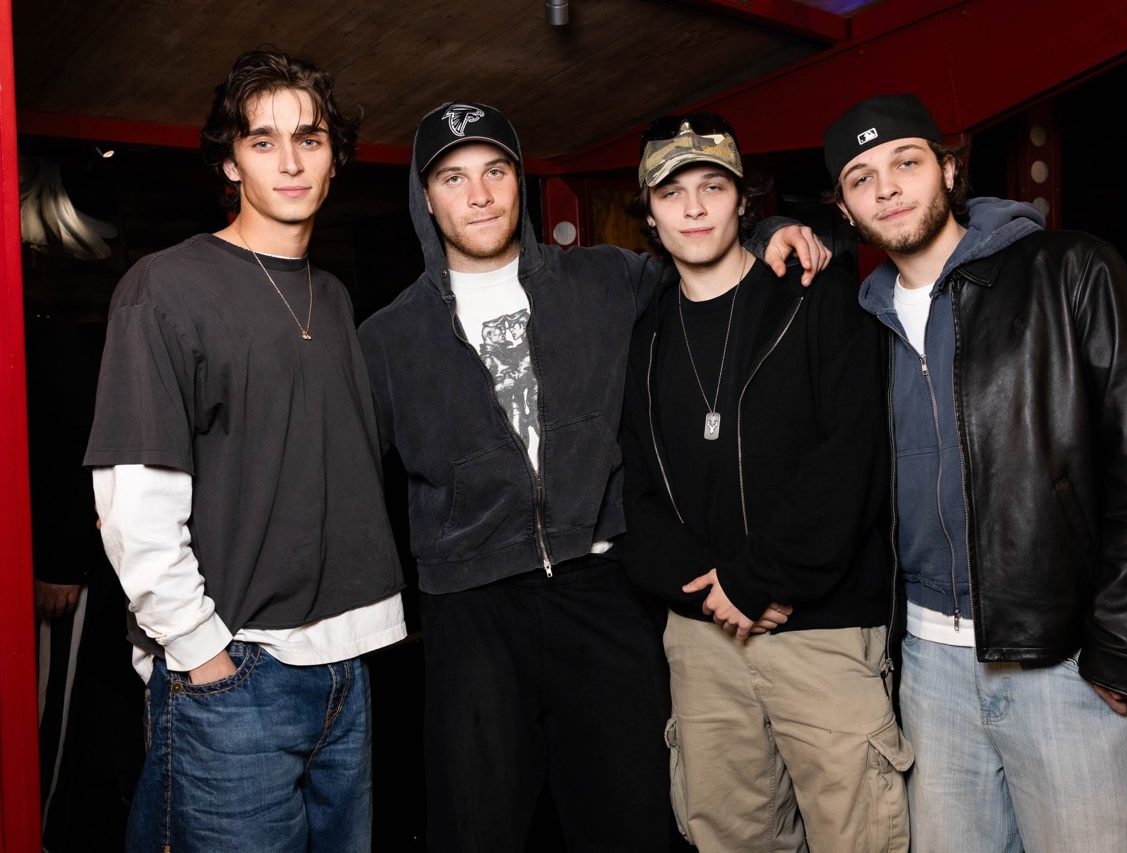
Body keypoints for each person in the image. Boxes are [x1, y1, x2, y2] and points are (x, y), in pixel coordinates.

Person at [357, 101, 828, 851]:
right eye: (453, 178)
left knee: (632, 822)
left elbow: (703, 260)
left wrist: (767, 232)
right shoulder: (385, 340)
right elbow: (349, 483)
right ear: (426, 198)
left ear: (520, 182)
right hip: (471, 608)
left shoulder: (608, 279)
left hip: (602, 590)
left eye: (495, 171)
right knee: (475, 829)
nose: (479, 195)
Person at [823, 93, 1127, 852]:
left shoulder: (1068, 269)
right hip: (927, 665)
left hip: (1065, 658)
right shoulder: (861, 322)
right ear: (844, 208)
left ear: (948, 169)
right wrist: (773, 232)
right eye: (861, 178)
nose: (887, 188)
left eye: (905, 162)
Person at [84, 49, 406, 852]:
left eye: (310, 138)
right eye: (263, 141)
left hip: (348, 664)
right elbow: (133, 499)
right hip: (236, 673)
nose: (291, 161)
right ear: (231, 162)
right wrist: (200, 653)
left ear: (334, 158)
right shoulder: (166, 286)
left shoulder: (333, 296)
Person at [613, 114, 911, 852]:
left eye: (712, 187)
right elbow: (632, 491)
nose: (693, 208)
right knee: (728, 836)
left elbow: (854, 458)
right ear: (649, 213)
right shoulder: (643, 334)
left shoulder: (817, 296)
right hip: (703, 637)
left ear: (744, 201)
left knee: (859, 837)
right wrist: (706, 589)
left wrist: (759, 579)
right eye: (671, 192)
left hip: (822, 632)